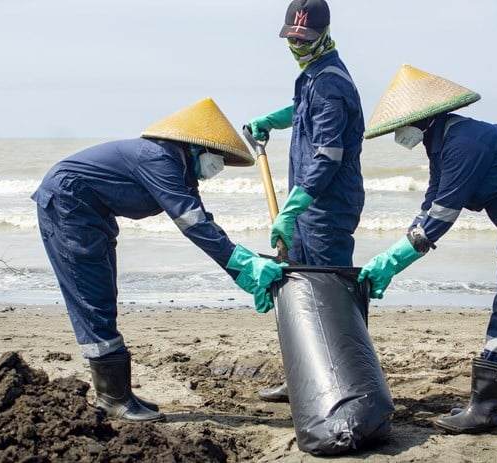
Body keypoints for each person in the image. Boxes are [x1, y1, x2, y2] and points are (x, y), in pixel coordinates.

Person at [31, 98, 286, 422]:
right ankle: (113, 398)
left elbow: (203, 221)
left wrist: (245, 261)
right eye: (217, 157)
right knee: (92, 297)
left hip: (91, 212)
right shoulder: (159, 158)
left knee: (104, 294)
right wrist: (241, 267)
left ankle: (117, 393)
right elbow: (192, 224)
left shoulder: (178, 170)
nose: (218, 166)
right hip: (68, 206)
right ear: (196, 145)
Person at [358, 64, 497, 435]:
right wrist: (405, 237)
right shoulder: (442, 141)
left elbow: (444, 214)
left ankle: (487, 407)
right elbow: (433, 200)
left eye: (400, 125)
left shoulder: (462, 142)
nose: (398, 134)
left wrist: (394, 261)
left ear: (422, 117)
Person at [245, 0, 366, 403]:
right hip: (306, 208)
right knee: (297, 288)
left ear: (325, 34)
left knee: (332, 295)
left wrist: (293, 208)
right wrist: (273, 121)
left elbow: (328, 156)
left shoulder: (332, 82)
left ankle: (347, 383)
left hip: (326, 209)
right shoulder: (313, 75)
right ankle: (303, 376)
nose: (298, 45)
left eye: (305, 38)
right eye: (292, 38)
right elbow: (302, 110)